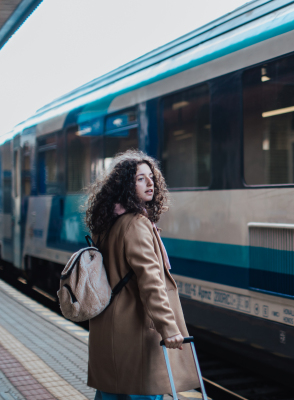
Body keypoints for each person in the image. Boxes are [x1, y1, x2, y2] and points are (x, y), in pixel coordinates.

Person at [84, 150, 198, 400]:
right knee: (142, 392)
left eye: (151, 177)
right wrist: (169, 328)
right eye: (140, 179)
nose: (150, 183)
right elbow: (151, 282)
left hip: (107, 330)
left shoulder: (106, 224)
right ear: (125, 185)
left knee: (110, 392)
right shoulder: (136, 224)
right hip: (133, 333)